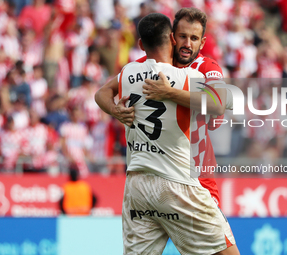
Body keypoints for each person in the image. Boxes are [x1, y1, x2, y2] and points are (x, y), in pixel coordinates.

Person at [95, 13, 236, 255]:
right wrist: (116, 110)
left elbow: (219, 101)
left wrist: (169, 93)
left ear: (202, 42)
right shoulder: (173, 70)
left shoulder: (205, 67)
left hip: (181, 176)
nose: (186, 44)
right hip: (179, 178)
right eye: (182, 36)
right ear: (171, 38)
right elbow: (103, 93)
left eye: (194, 38)